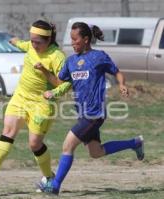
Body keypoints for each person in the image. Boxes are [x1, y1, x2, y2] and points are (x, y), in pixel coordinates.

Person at [37, 22, 144, 195]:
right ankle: (135, 143)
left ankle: (54, 186)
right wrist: (43, 71)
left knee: (67, 146)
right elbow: (59, 82)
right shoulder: (71, 61)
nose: (72, 43)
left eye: (75, 39)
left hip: (94, 113)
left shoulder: (99, 57)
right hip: (83, 114)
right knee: (96, 152)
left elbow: (117, 72)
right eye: (71, 39)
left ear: (86, 39)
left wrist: (122, 84)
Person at [0, 20, 71, 183]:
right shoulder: (30, 45)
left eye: (38, 42)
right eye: (32, 40)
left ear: (48, 40)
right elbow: (21, 44)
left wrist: (43, 70)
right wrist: (12, 40)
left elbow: (62, 83)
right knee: (8, 130)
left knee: (34, 144)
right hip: (20, 97)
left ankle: (49, 177)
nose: (33, 45)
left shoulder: (57, 56)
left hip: (42, 104)